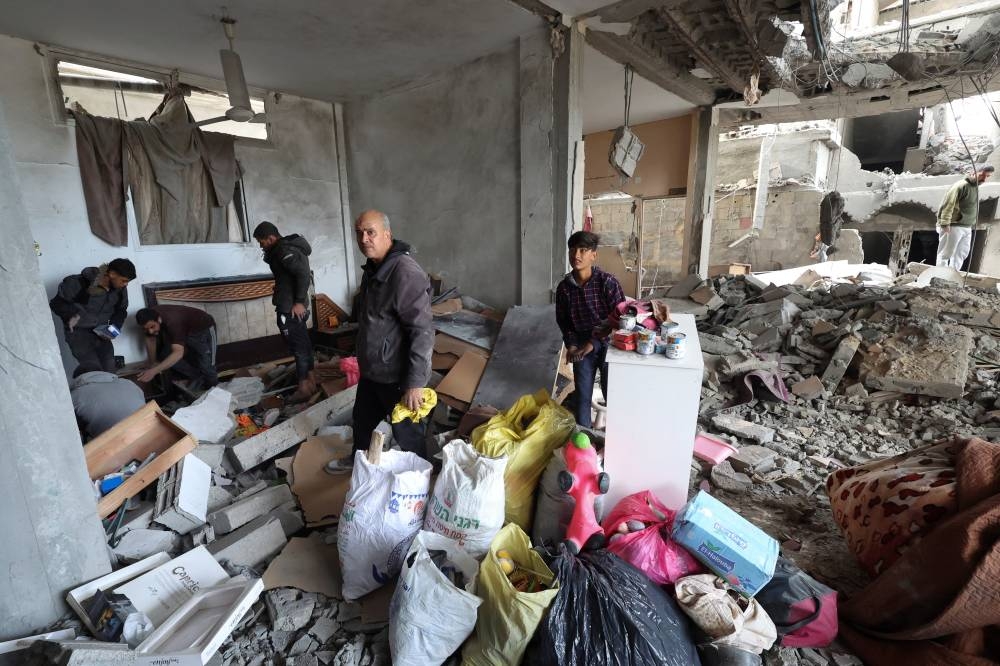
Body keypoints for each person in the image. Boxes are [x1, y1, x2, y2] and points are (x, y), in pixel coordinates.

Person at [325, 210, 434, 473]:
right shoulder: (374, 269)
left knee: (408, 435)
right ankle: (359, 461)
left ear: (387, 234)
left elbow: (422, 331)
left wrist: (415, 383)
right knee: (362, 423)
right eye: (359, 233)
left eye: (370, 232)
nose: (364, 239)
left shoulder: (404, 272)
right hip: (373, 371)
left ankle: (419, 478)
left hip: (397, 376)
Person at [555, 231, 625, 428]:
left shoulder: (607, 282)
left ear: (593, 255)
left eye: (583, 250)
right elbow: (564, 321)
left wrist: (594, 343)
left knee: (614, 395)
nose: (576, 255)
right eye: (572, 250)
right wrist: (571, 345)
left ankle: (616, 437)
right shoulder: (564, 288)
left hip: (610, 344)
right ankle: (585, 438)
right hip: (581, 345)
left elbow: (621, 320)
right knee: (582, 397)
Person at [253, 221, 317, 401]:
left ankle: (304, 388)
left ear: (271, 238)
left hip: (290, 310)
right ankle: (311, 382)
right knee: (304, 346)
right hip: (291, 306)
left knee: (299, 349)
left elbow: (303, 274)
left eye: (261, 242)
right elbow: (292, 276)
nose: (261, 246)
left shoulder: (283, 250)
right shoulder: (284, 248)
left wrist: (298, 302)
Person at [50, 258, 136, 374]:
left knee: (110, 371)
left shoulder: (120, 289)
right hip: (79, 335)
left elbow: (121, 310)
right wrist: (71, 315)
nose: (125, 284)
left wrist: (114, 328)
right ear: (112, 274)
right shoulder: (78, 282)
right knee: (94, 371)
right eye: (124, 280)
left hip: (101, 333)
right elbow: (56, 303)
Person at [135, 305, 219, 390]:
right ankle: (197, 376)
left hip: (203, 328)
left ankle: (215, 391)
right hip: (185, 328)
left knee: (207, 365)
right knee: (165, 355)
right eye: (146, 329)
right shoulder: (148, 316)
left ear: (159, 320)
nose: (150, 331)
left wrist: (153, 371)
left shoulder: (173, 322)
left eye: (152, 327)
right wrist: (152, 363)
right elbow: (150, 339)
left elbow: (178, 353)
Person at [936, 165, 994, 270]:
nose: (984, 179)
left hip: (967, 227)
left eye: (987, 176)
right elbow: (948, 204)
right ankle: (940, 273)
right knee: (946, 253)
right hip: (954, 225)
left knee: (961, 253)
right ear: (973, 172)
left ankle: (953, 274)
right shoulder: (960, 186)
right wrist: (945, 223)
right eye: (982, 175)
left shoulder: (975, 187)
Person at [70, 363, 146, 440]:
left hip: (117, 442)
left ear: (77, 378)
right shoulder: (128, 383)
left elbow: (75, 428)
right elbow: (143, 403)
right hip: (147, 430)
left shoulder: (75, 395)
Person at [810, 191, 845, 263]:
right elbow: (834, 215)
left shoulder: (829, 200)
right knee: (826, 243)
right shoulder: (831, 201)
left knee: (826, 243)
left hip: (828, 226)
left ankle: (824, 255)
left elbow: (833, 215)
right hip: (829, 226)